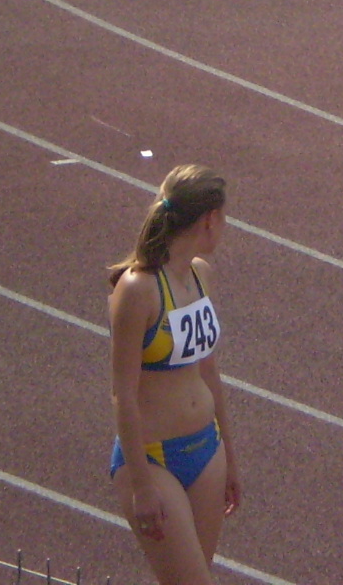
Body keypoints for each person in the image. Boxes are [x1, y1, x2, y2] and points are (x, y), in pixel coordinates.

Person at [106, 165, 238, 585]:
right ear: (209, 219)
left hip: (207, 450)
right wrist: (141, 486)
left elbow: (210, 372)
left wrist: (231, 456)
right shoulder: (138, 288)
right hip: (154, 458)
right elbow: (122, 394)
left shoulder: (201, 276)